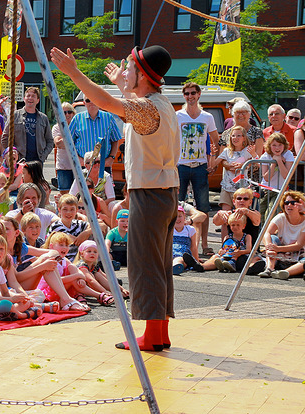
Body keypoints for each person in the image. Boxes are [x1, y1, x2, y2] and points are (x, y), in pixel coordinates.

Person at [52, 44, 178, 351]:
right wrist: (126, 84)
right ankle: (158, 332)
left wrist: (73, 72)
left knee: (145, 265)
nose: (126, 72)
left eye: (132, 69)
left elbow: (105, 101)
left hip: (151, 194)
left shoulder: (147, 109)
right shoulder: (160, 103)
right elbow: (127, 99)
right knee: (158, 264)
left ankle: (151, 335)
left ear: (144, 76)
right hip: (164, 192)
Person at [177, 82, 217, 254]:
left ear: (199, 94)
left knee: (203, 206)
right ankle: (176, 240)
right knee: (176, 206)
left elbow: (217, 140)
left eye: (193, 93)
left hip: (200, 166)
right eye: (187, 93)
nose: (190, 96)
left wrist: (213, 161)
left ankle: (205, 244)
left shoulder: (207, 117)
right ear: (184, 96)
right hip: (181, 166)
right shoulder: (177, 115)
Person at [68, 95, 122, 173]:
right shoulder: (77, 118)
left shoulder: (108, 118)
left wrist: (111, 158)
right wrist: (78, 159)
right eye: (88, 100)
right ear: (84, 103)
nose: (91, 102)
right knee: (82, 186)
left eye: (94, 99)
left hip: (103, 166)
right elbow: (69, 142)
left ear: (99, 102)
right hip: (83, 166)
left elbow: (115, 140)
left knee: (104, 185)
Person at [259, 190, 305, 280]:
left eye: (292, 203)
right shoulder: (281, 217)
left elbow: (298, 245)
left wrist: (277, 248)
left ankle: (285, 272)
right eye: (286, 203)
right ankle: (269, 269)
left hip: (299, 254)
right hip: (281, 253)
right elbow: (266, 232)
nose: (289, 205)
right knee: (272, 238)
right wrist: (269, 246)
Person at [3, 86, 53, 166]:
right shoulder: (15, 115)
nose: (30, 98)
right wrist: (12, 154)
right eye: (28, 96)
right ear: (24, 99)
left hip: (37, 162)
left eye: (33, 96)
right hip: (19, 160)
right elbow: (5, 137)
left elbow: (50, 141)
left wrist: (43, 156)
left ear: (38, 100)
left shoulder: (43, 118)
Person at [214, 126, 252, 210]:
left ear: (244, 138)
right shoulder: (227, 151)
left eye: (239, 136)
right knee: (225, 215)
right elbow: (214, 164)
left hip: (241, 189)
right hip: (227, 188)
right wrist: (212, 154)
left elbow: (255, 162)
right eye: (233, 136)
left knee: (240, 215)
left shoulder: (247, 151)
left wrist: (244, 165)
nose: (235, 138)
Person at [259, 132, 295, 219]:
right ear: (269, 146)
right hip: (265, 189)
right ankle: (262, 232)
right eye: (274, 145)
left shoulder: (288, 154)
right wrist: (273, 164)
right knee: (261, 214)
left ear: (284, 145)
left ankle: (268, 232)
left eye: (280, 145)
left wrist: (279, 161)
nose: (277, 148)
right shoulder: (265, 156)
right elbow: (266, 178)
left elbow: (286, 176)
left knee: (270, 214)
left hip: (280, 190)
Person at [52, 102, 77, 194]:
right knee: (64, 194)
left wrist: (65, 139)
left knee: (79, 194)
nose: (67, 114)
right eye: (63, 112)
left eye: (69, 112)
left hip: (78, 165)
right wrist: (74, 138)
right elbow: (59, 143)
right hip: (63, 166)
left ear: (73, 113)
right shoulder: (56, 127)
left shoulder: (79, 125)